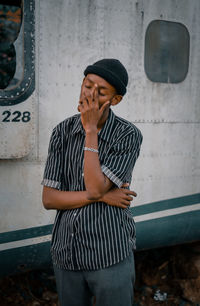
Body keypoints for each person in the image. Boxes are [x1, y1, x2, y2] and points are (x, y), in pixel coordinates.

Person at [41, 58, 143, 306]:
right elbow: (49, 199)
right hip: (67, 253)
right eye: (87, 85)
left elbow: (96, 187)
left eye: (101, 91)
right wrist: (105, 196)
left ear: (115, 100)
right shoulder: (61, 132)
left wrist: (91, 132)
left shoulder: (127, 135)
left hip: (109, 254)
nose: (90, 94)